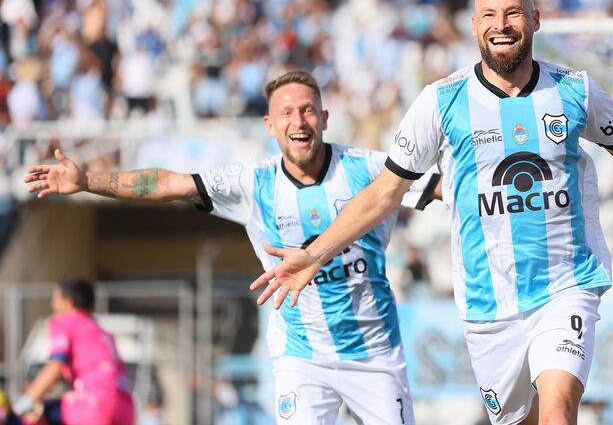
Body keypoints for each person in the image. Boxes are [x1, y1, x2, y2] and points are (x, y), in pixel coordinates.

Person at [251, 0, 613, 425]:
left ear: (535, 21)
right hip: (489, 308)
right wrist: (317, 251)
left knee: (558, 413)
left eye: (513, 13)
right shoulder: (440, 103)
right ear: (474, 28)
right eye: (489, 15)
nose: (502, 25)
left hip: (566, 285)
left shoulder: (575, 91)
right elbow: (386, 192)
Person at [24, 70, 439, 425]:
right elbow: (169, 184)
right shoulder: (251, 182)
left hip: (375, 352)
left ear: (325, 118)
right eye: (287, 113)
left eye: (308, 110)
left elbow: (445, 186)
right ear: (269, 125)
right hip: (302, 357)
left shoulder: (368, 169)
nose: (300, 121)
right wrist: (88, 181)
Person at [9, 279, 134, 425]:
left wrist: (23, 404)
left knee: (19, 419)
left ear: (68, 301)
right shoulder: (100, 329)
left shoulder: (65, 321)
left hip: (93, 404)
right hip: (125, 407)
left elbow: (55, 366)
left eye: (55, 298)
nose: (51, 303)